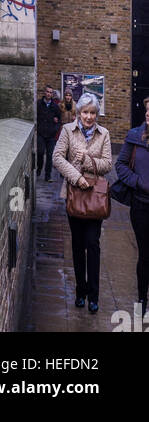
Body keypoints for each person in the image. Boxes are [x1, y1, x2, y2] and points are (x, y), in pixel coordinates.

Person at [52, 92, 113, 312]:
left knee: (93, 244)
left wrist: (86, 159)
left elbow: (107, 164)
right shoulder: (68, 130)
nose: (89, 117)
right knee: (77, 245)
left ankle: (94, 296)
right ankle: (81, 291)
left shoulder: (104, 133)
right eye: (85, 112)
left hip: (95, 196)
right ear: (79, 113)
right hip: (74, 194)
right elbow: (57, 157)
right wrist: (77, 178)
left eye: (93, 113)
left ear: (97, 114)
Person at [115, 95, 149, 317]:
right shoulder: (135, 136)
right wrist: (138, 182)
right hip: (141, 206)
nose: (147, 114)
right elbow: (120, 165)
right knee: (145, 254)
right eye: (147, 111)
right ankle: (141, 299)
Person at [36, 84, 62, 181]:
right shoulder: (39, 104)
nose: (49, 94)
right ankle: (39, 167)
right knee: (40, 152)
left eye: (51, 92)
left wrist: (55, 129)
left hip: (51, 135)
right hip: (41, 133)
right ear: (44, 92)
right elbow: (35, 117)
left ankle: (48, 175)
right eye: (47, 92)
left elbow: (59, 120)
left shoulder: (55, 107)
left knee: (50, 155)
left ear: (52, 94)